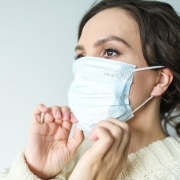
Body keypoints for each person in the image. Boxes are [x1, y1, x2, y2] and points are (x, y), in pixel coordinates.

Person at [1, 0, 180, 179]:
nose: (87, 69)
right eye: (81, 56)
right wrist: (36, 172)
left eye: (110, 52)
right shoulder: (64, 156)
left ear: (160, 80)